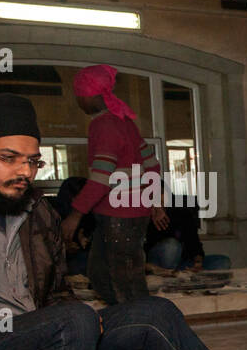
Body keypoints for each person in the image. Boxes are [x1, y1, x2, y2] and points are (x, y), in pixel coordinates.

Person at [0, 94, 242, 350]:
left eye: (33, 161)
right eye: (9, 158)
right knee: (73, 319)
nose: (24, 172)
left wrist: (83, 320)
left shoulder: (38, 212)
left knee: (155, 313)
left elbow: (57, 290)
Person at [59, 64, 168, 304]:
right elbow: (152, 165)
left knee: (125, 283)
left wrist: (75, 215)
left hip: (119, 217)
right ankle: (131, 324)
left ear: (90, 96)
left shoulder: (104, 125)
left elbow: (101, 177)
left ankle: (139, 328)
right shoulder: (124, 123)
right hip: (128, 214)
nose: (78, 101)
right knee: (105, 276)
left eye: (79, 95)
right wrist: (152, 201)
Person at [146, 201, 206, 272]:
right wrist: (151, 267)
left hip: (183, 263)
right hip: (155, 264)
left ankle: (178, 273)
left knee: (221, 262)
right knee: (172, 246)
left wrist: (198, 264)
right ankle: (168, 274)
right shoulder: (145, 217)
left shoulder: (182, 214)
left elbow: (195, 244)